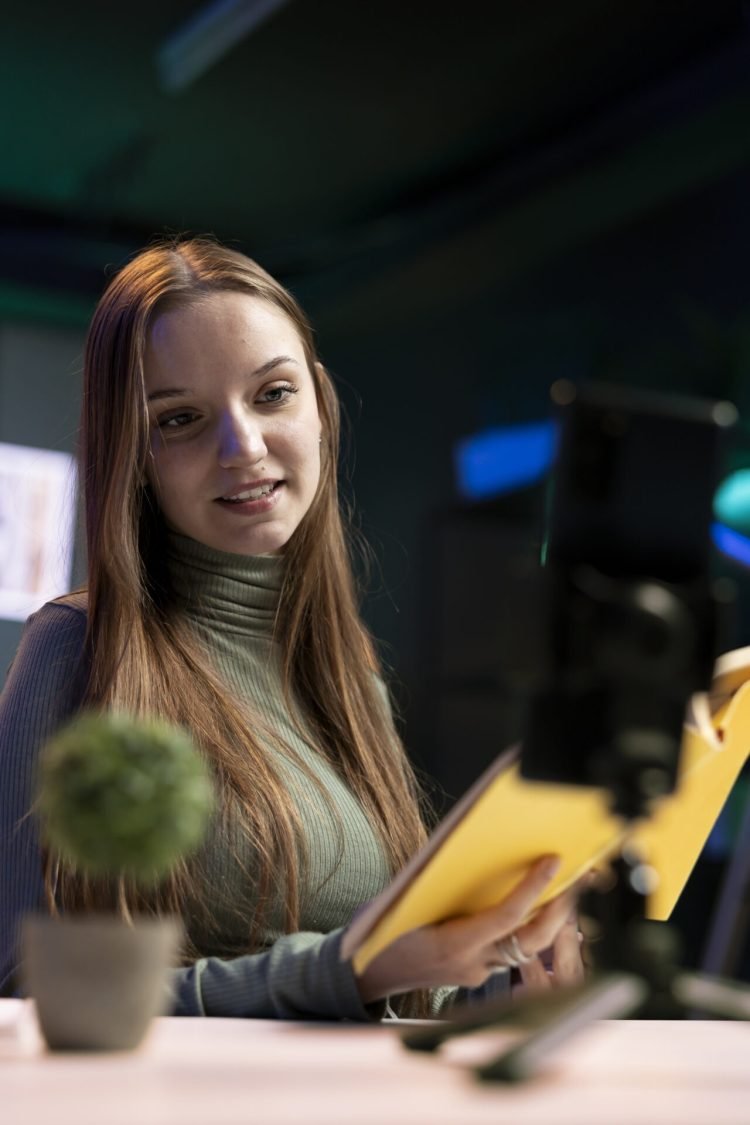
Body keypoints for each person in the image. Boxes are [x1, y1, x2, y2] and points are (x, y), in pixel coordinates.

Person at [0, 237, 583, 1019]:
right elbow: (25, 993)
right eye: (179, 418)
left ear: (319, 405)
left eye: (272, 394)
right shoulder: (76, 647)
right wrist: (347, 964)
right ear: (132, 455)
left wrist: (503, 978)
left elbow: (380, 991)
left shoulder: (350, 679)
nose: (242, 446)